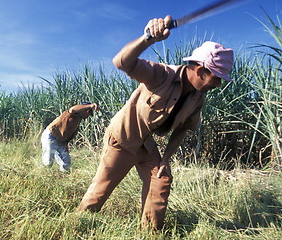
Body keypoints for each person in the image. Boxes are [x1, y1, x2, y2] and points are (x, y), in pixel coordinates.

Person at [77, 16, 234, 230]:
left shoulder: (198, 97)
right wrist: (148, 39)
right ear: (200, 70)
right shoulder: (162, 75)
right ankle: (78, 224)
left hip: (146, 145)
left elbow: (183, 129)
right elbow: (121, 62)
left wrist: (165, 159)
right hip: (122, 139)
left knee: (161, 180)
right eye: (216, 78)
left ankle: (149, 232)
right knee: (100, 191)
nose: (218, 84)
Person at [41, 103, 99, 172]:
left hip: (61, 141)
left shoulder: (77, 120)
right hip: (51, 136)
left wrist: (65, 146)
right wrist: (90, 106)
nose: (88, 115)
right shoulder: (72, 114)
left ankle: (63, 176)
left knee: (66, 162)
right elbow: (73, 109)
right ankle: (41, 174)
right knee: (48, 162)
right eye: (88, 112)